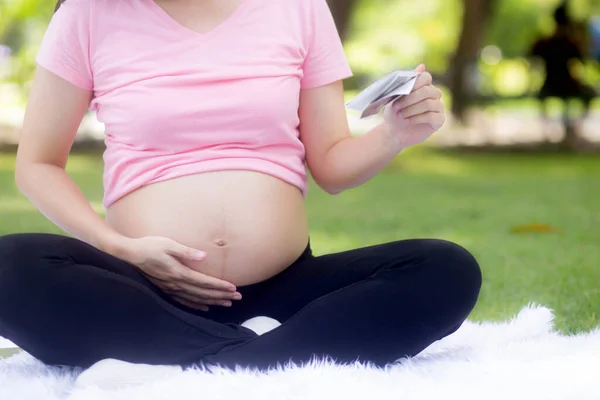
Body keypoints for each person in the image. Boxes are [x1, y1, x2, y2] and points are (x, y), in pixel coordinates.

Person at [0, 0, 481, 373]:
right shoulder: (89, 15)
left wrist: (394, 134)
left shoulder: (298, 8)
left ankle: (206, 363)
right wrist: (119, 248)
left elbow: (332, 166)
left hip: (286, 291)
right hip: (145, 289)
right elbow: (37, 164)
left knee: (446, 269)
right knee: (8, 267)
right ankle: (267, 356)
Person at [529, 1, 596, 120]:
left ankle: (550, 125)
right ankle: (576, 123)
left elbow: (531, 56)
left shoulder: (546, 42)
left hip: (549, 84)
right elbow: (583, 60)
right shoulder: (570, 42)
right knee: (590, 93)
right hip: (568, 84)